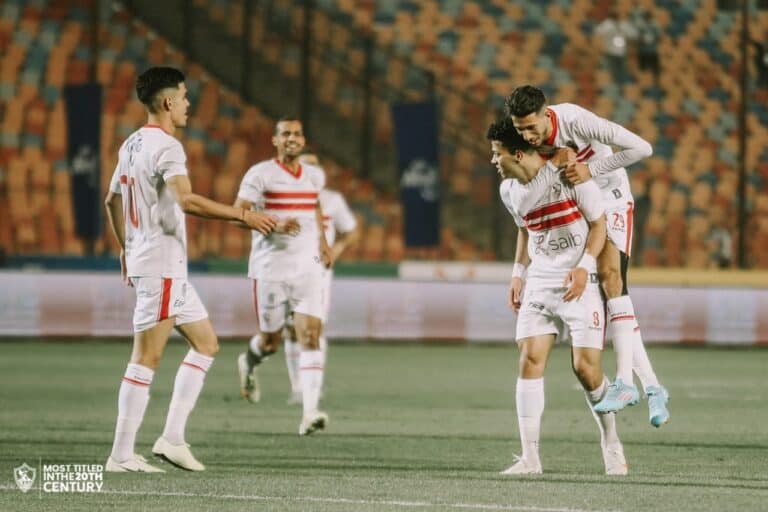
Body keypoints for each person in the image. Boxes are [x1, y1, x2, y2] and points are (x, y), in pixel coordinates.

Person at [104, 66, 278, 472]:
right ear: (168, 102)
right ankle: (121, 455)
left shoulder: (131, 143)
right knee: (146, 358)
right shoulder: (167, 146)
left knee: (207, 344)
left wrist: (126, 247)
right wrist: (243, 215)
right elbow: (187, 201)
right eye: (183, 96)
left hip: (160, 265)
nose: (188, 103)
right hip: (161, 265)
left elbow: (111, 200)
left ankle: (172, 439)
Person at [505, 85, 670, 427]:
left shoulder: (576, 120)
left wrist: (592, 170)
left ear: (547, 114)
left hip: (610, 197)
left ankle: (626, 382)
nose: (527, 136)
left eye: (532, 127)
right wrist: (519, 270)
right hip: (581, 203)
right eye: (520, 129)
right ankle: (652, 386)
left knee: (612, 279)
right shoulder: (525, 140)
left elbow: (642, 148)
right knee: (608, 292)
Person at [487, 119, 628, 476]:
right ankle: (530, 458)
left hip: (579, 280)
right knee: (529, 360)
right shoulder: (508, 190)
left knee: (586, 370)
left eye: (497, 153)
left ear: (518, 154)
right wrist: (518, 273)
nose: (493, 161)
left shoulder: (572, 176)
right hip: (540, 281)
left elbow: (598, 224)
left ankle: (611, 442)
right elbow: (524, 228)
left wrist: (584, 266)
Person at [235, 118, 333, 435]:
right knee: (271, 342)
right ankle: (249, 362)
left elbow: (315, 207)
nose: (292, 138)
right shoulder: (260, 174)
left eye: (297, 134)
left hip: (308, 268)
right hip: (271, 269)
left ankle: (309, 412)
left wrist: (323, 242)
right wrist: (274, 224)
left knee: (310, 336)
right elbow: (237, 213)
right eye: (285, 134)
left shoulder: (314, 176)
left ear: (303, 141)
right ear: (275, 141)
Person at [282, 152, 359, 405]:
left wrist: (337, 249)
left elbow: (352, 231)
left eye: (315, 166)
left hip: (319, 272)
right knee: (291, 330)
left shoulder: (332, 200)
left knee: (315, 328)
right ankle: (297, 386)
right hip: (288, 270)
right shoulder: (283, 199)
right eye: (306, 166)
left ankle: (313, 385)